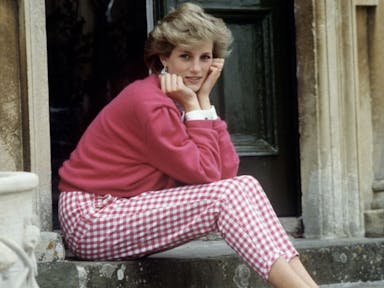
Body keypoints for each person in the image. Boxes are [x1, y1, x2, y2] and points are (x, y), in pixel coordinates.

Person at [58, 3, 318, 287]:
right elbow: (206, 175)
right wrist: (194, 104)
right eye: (185, 56)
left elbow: (226, 173)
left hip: (123, 207)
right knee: (226, 196)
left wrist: (203, 101)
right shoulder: (150, 103)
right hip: (92, 219)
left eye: (205, 57)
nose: (196, 68)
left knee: (247, 185)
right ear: (163, 59)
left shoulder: (178, 97)